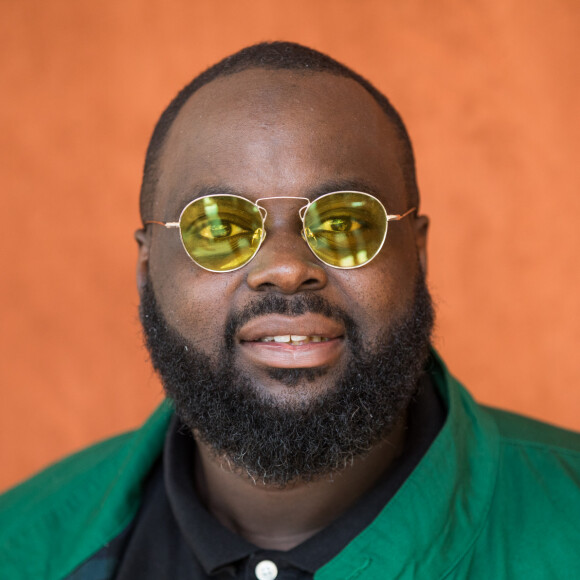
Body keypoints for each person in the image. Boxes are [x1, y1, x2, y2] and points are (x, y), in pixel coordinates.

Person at [1, 41, 579, 580]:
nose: (284, 266)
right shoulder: (20, 545)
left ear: (418, 254)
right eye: (220, 227)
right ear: (148, 268)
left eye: (347, 223)